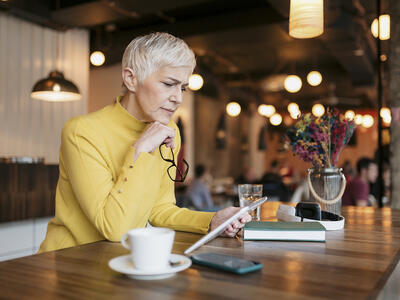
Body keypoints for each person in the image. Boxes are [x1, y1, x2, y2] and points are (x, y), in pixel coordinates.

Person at [39, 32, 251, 253]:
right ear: (131, 79)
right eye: (169, 84)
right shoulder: (82, 132)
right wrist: (141, 150)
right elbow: (114, 229)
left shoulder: (169, 132)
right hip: (69, 261)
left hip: (120, 261)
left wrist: (211, 221)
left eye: (183, 88)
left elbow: (159, 210)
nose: (178, 98)